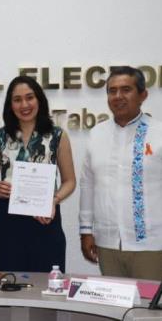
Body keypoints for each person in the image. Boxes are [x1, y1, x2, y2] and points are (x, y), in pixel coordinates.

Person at [79, 66, 162, 280]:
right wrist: (86, 230)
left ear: (143, 95)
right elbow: (88, 185)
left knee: (147, 311)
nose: (118, 96)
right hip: (107, 244)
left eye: (126, 89)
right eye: (112, 90)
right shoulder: (97, 134)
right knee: (114, 310)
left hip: (151, 246)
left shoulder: (158, 133)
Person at [0, 76, 75, 273]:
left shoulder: (57, 135)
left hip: (45, 217)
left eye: (30, 97)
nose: (24, 104)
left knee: (47, 284)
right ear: (10, 104)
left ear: (39, 100)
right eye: (17, 99)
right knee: (9, 281)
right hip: (9, 222)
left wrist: (53, 201)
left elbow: (70, 181)